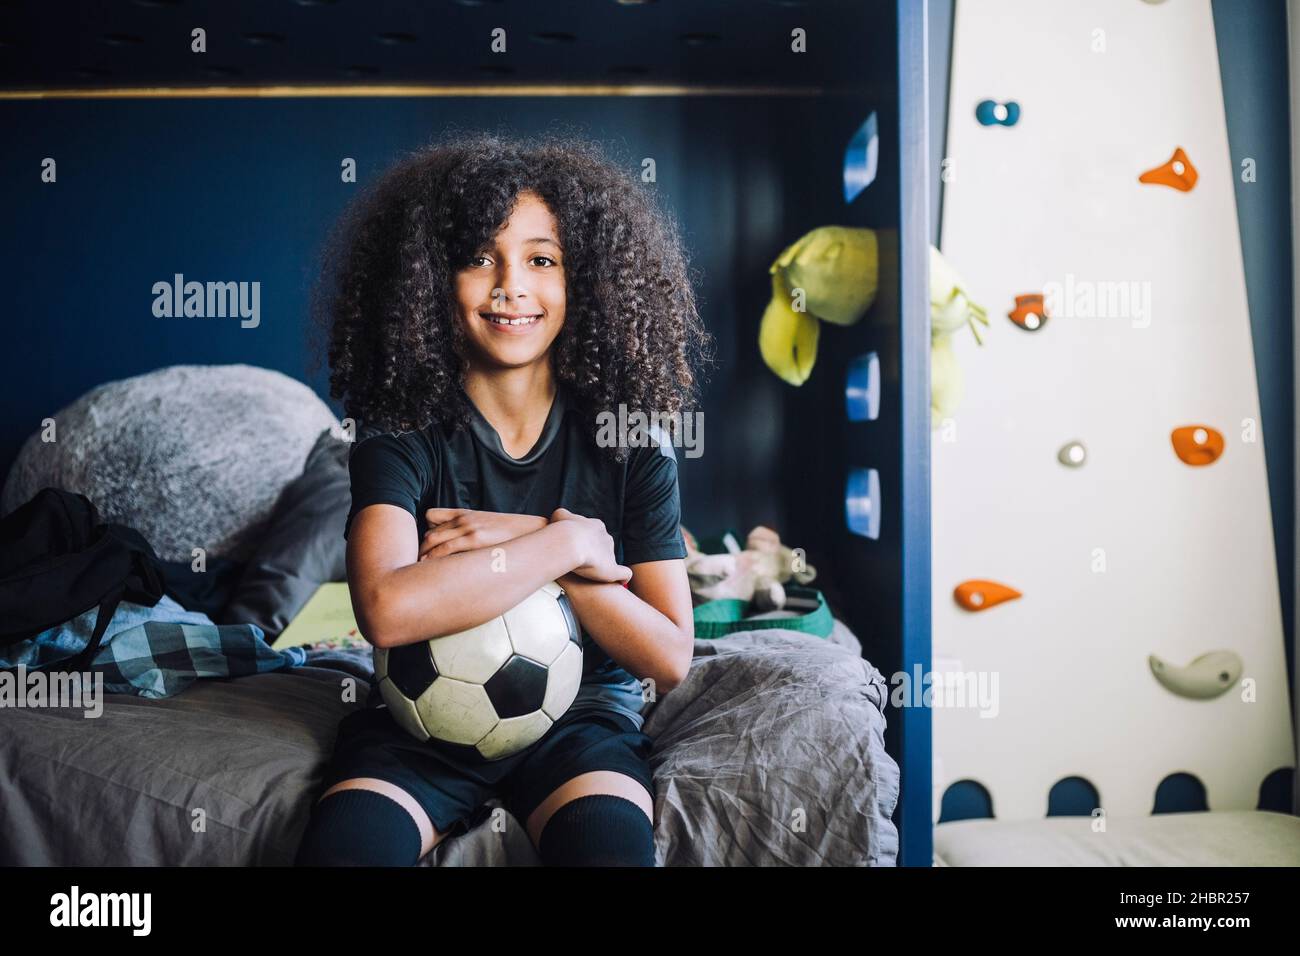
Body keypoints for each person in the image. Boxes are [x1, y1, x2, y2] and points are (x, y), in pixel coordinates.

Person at [294, 131, 712, 866]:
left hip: (584, 721)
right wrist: (571, 546)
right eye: (479, 257)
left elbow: (669, 654)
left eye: (541, 260)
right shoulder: (399, 438)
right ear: (427, 282)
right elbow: (388, 609)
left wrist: (522, 538)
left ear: (588, 280)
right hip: (419, 724)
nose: (510, 284)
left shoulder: (632, 443)